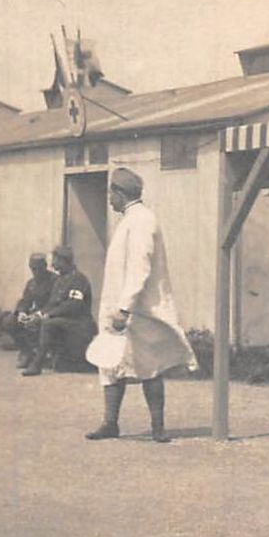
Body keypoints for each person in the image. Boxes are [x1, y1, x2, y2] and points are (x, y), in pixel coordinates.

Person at [85, 167, 196, 443]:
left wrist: (125, 307)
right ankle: (110, 423)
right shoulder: (128, 220)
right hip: (117, 308)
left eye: (111, 192)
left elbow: (140, 268)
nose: (109, 198)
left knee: (148, 365)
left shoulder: (143, 221)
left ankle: (158, 427)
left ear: (120, 193)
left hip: (138, 309)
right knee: (110, 363)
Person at [22, 245, 96, 376]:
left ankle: (37, 364)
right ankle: (34, 355)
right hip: (66, 323)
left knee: (48, 323)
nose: (53, 265)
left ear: (64, 261)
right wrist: (38, 315)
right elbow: (52, 304)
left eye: (55, 261)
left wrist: (47, 315)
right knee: (33, 322)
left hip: (80, 325)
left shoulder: (78, 279)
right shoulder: (60, 280)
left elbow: (73, 306)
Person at [0, 252, 56, 367]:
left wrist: (39, 314)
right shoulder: (31, 283)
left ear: (45, 266)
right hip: (35, 313)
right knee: (9, 321)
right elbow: (25, 301)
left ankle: (44, 355)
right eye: (33, 269)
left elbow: (55, 302)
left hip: (51, 313)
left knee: (39, 323)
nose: (36, 272)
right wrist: (22, 312)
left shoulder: (55, 280)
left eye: (39, 268)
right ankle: (26, 352)